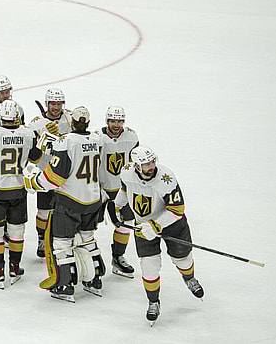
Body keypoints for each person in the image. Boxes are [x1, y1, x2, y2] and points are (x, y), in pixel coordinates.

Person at [114, 146, 204, 325]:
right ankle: (153, 301)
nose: (151, 166)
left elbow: (177, 210)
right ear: (136, 166)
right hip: (143, 226)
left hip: (172, 225)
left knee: (183, 259)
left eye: (152, 162)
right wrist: (117, 205)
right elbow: (125, 190)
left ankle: (189, 278)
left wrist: (155, 225)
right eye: (146, 164)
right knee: (149, 267)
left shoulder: (166, 178)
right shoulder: (127, 173)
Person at [25, 106, 105, 303]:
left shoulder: (66, 141)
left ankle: (65, 284)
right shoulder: (97, 139)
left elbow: (55, 177)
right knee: (88, 239)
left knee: (62, 244)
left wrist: (33, 182)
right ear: (88, 122)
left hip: (70, 201)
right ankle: (95, 280)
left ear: (72, 122)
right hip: (92, 199)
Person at [0, 100, 42, 289]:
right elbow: (36, 158)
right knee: (17, 230)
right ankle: (15, 268)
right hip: (18, 189)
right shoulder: (28, 133)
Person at [95, 105, 139, 278]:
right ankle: (89, 258)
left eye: (119, 121)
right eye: (113, 121)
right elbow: (90, 164)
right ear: (107, 121)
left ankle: (118, 257)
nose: (116, 125)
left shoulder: (131, 136)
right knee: (88, 225)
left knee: (127, 222)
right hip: (100, 189)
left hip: (122, 189)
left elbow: (136, 164)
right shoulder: (97, 138)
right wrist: (96, 187)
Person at [27, 88, 71, 258]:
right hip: (45, 170)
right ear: (47, 104)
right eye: (53, 103)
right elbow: (31, 150)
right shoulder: (36, 123)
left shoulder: (70, 118)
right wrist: (43, 134)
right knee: (44, 210)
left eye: (59, 103)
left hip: (66, 172)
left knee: (65, 208)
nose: (56, 107)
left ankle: (62, 238)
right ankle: (41, 238)